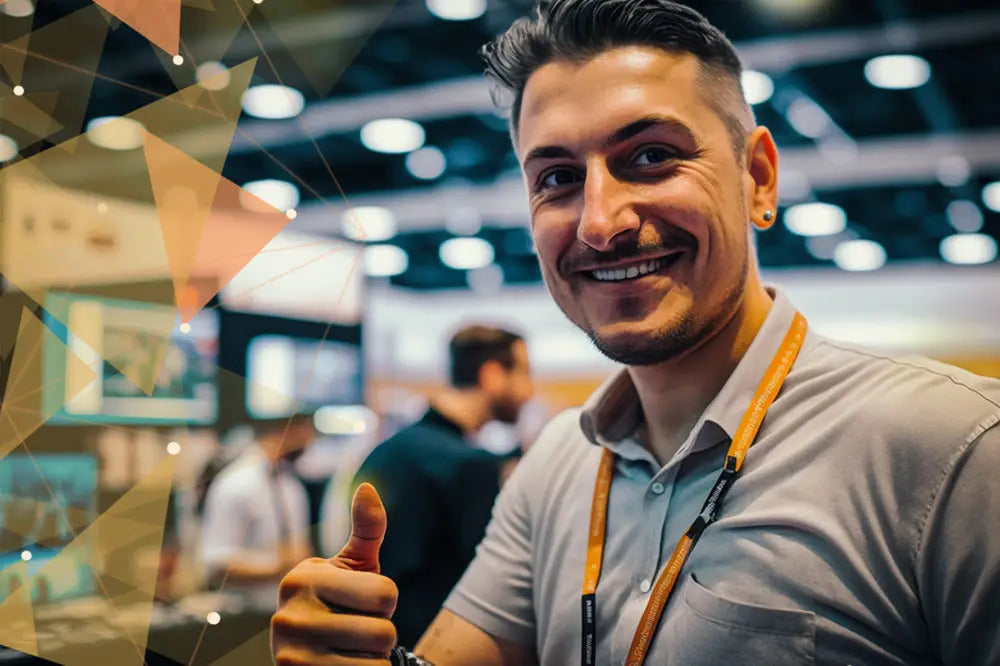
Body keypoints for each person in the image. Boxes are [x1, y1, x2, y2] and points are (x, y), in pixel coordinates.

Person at [270, 1, 1000, 664]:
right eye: (556, 177)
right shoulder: (557, 466)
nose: (599, 222)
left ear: (760, 179)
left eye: (650, 156)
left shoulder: (955, 453)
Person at [342, 325, 534, 648]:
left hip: (373, 641)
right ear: (492, 375)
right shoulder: (469, 466)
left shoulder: (392, 449)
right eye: (525, 374)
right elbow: (483, 591)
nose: (529, 391)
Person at [200, 414, 315, 605]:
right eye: (305, 430)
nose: (309, 440)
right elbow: (216, 563)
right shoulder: (235, 483)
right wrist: (276, 566)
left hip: (288, 607)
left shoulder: (291, 484)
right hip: (245, 612)